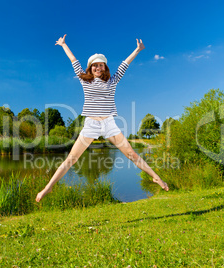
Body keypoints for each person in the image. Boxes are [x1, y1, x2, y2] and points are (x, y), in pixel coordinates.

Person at [35, 34, 169, 202]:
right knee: (71, 158)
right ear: (90, 68)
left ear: (105, 68)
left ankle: (156, 177)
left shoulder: (112, 81)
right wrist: (63, 44)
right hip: (91, 125)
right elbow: (73, 60)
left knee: (131, 154)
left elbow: (124, 65)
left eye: (101, 65)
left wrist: (137, 50)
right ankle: (49, 187)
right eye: (95, 65)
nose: (98, 67)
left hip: (109, 124)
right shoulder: (85, 81)